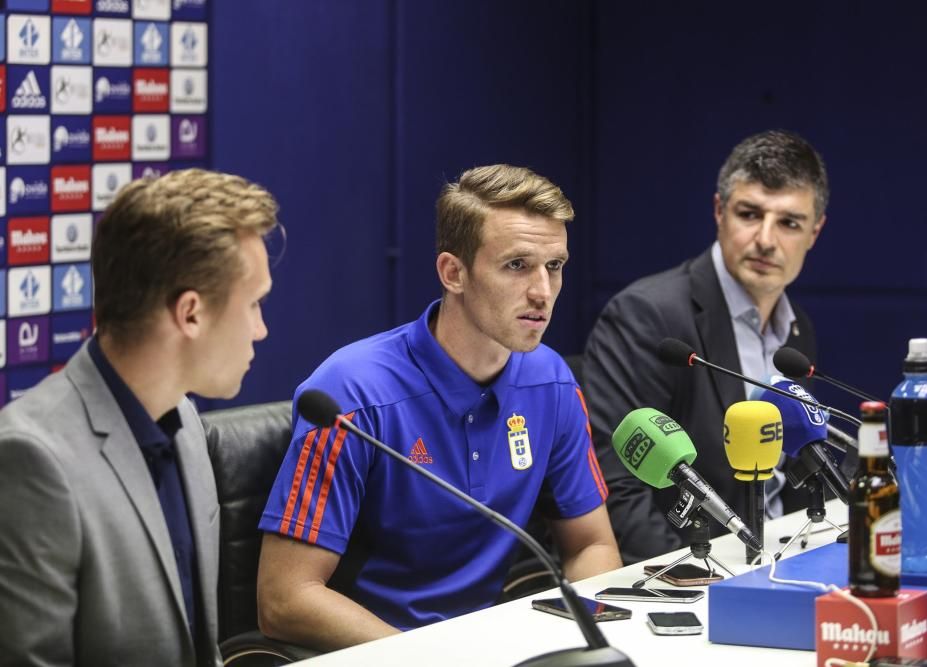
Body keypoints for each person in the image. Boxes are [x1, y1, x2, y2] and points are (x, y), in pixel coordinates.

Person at [258, 164, 622, 650]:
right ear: (453, 272)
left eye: (554, 266)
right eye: (517, 265)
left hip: (497, 645)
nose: (542, 291)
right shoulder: (353, 392)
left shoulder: (550, 380)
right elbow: (285, 599)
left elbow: (591, 545)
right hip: (380, 652)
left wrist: (587, 640)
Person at [0, 169, 280, 666]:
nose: (261, 329)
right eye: (254, 304)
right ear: (190, 313)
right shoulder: (32, 459)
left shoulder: (185, 423)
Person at [582, 130, 827, 563]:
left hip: (780, 559)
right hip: (699, 568)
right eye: (750, 214)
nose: (767, 240)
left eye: (789, 223)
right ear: (719, 211)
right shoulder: (649, 317)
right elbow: (618, 490)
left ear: (815, 232)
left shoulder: (796, 330)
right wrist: (707, 581)